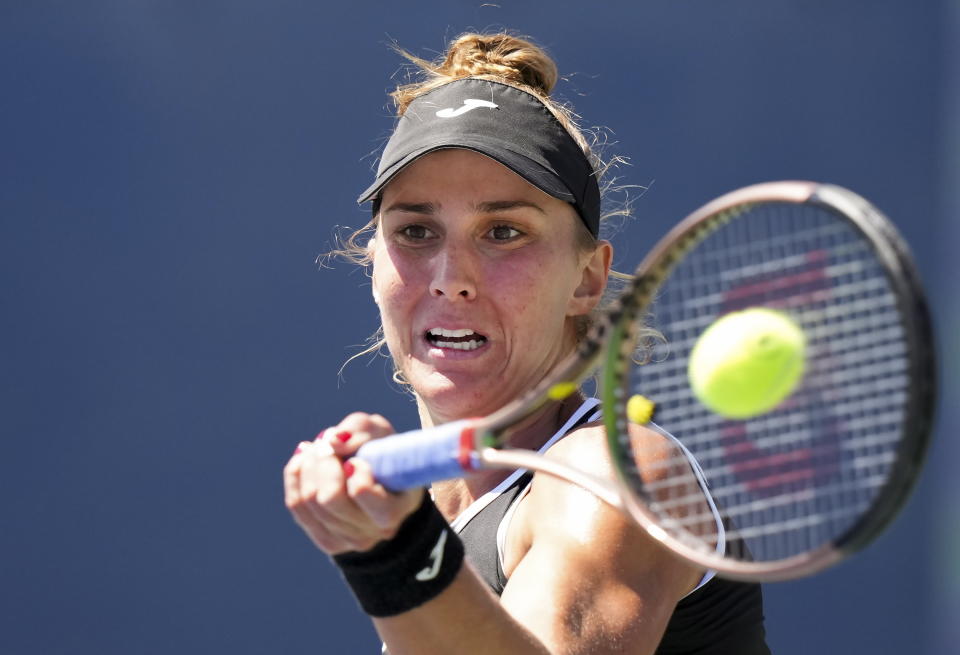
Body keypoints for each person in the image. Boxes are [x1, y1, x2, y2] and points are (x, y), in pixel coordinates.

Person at [284, 32, 771, 654]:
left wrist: (397, 556)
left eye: (504, 231)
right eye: (415, 231)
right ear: (373, 262)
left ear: (587, 278)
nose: (450, 279)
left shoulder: (613, 474)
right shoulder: (447, 521)